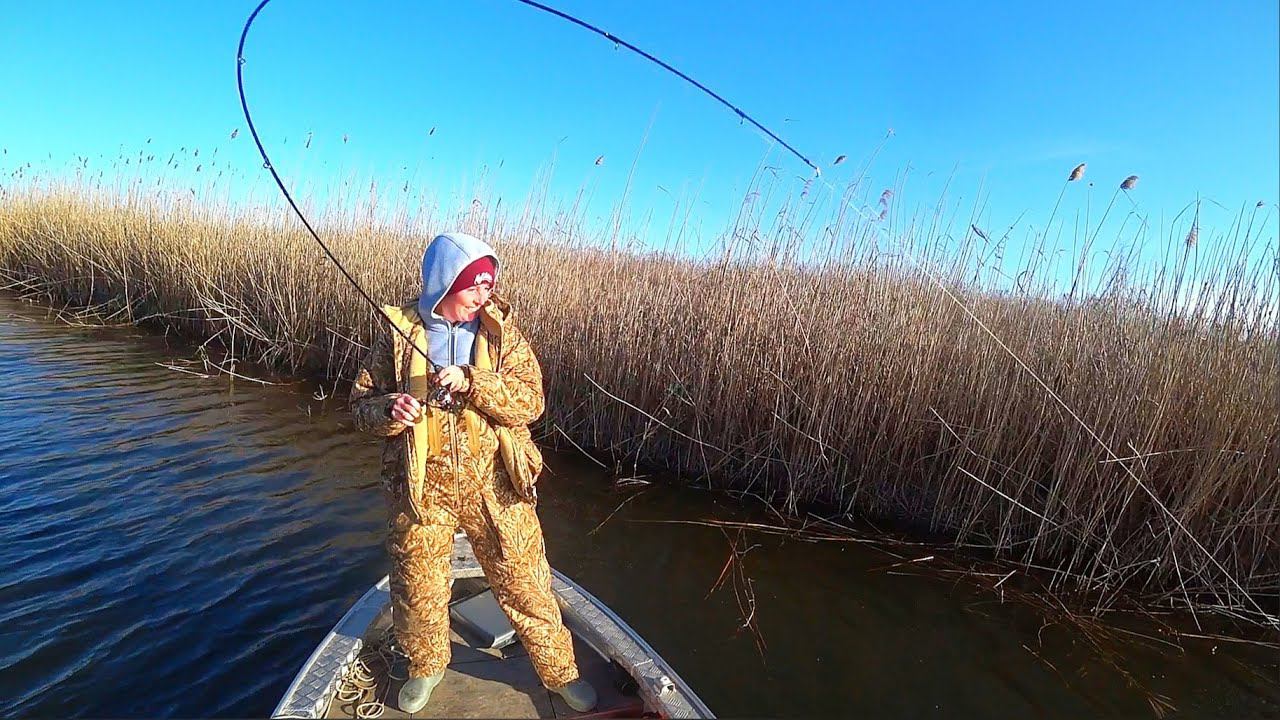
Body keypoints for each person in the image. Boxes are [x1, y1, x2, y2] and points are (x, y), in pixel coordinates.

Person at [348, 232, 597, 713]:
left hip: (495, 482)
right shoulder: (397, 333)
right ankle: (426, 667)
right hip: (420, 486)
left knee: (526, 582)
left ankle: (560, 674)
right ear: (443, 285)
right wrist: (388, 411)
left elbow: (531, 402)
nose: (485, 298)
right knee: (417, 585)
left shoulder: (501, 333)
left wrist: (474, 382)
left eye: (488, 286)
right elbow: (359, 407)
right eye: (474, 288)